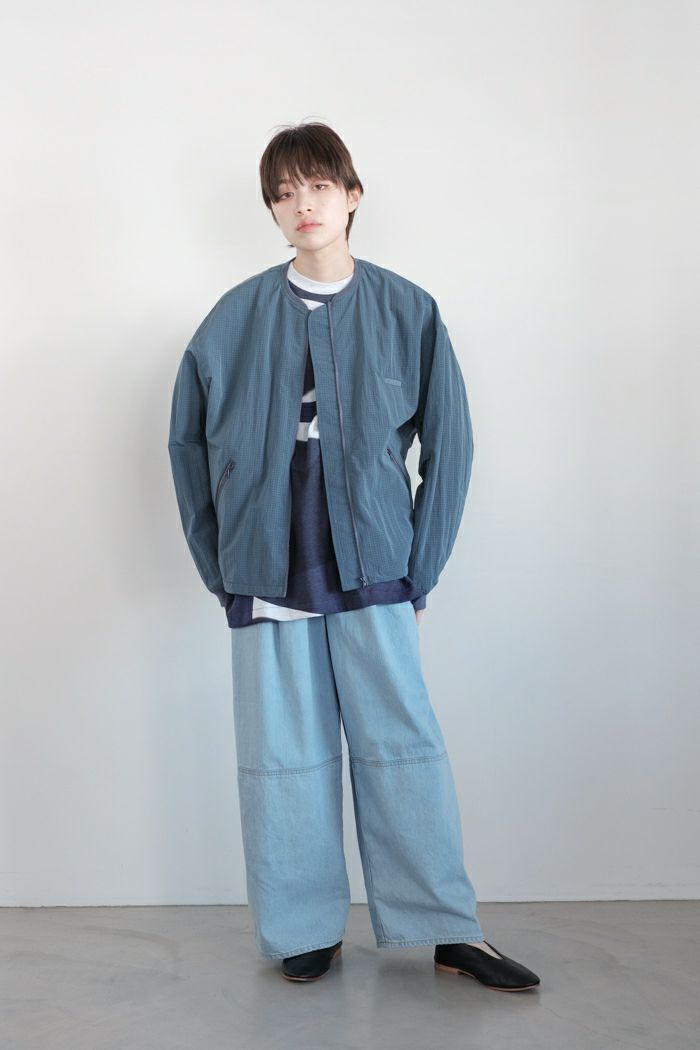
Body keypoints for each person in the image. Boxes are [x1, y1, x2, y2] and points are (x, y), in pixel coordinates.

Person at [167, 121, 541, 991]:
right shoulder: (230, 319)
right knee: (282, 752)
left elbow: (451, 444)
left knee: (402, 744)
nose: (302, 204)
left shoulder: (409, 310)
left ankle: (446, 927)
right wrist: (219, 566)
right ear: (271, 210)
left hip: (373, 558)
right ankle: (304, 928)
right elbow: (187, 448)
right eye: (284, 192)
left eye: (318, 186)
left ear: (352, 195)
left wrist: (422, 566)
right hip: (266, 561)